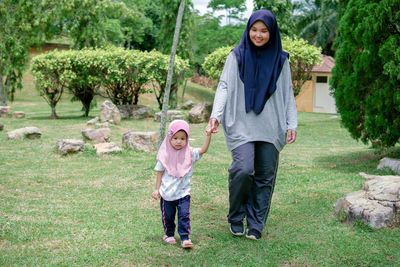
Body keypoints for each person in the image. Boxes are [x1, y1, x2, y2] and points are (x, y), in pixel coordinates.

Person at [206, 10, 297, 240]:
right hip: (241, 124)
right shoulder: (236, 55)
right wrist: (215, 115)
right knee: (243, 169)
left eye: (264, 30)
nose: (258, 35)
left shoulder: (281, 59)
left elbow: (287, 92)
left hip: (271, 126)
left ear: (272, 32)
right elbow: (224, 86)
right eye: (254, 29)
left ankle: (256, 223)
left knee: (265, 175)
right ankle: (236, 216)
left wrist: (292, 123)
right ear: (248, 30)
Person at [152, 120, 212, 248]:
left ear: (187, 139)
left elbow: (203, 150)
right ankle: (169, 235)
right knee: (168, 216)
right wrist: (157, 189)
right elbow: (159, 173)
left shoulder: (189, 153)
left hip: (183, 193)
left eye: (183, 138)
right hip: (167, 194)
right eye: (175, 138)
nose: (179, 141)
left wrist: (208, 135)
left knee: (184, 215)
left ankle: (185, 237)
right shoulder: (164, 154)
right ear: (169, 137)